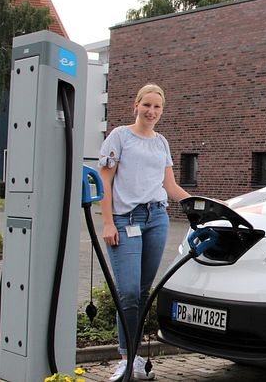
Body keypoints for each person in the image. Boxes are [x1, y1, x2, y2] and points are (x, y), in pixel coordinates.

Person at [99, 83, 191, 380]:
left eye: (157, 107)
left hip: (157, 219)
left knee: (141, 292)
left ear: (162, 111)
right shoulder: (119, 136)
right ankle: (126, 359)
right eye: (147, 105)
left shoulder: (161, 142)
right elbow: (105, 183)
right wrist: (108, 222)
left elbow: (171, 186)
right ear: (135, 105)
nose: (151, 112)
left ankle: (136, 360)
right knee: (126, 292)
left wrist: (206, 206)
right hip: (125, 221)